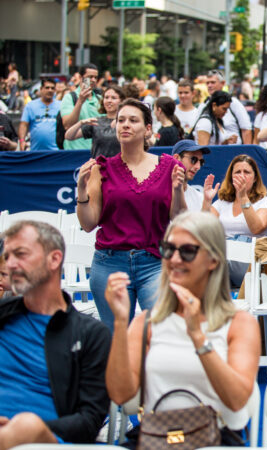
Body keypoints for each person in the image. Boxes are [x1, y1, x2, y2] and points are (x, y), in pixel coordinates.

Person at [104, 211, 260, 447]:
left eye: (187, 251)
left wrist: (198, 337)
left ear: (213, 260)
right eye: (168, 249)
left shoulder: (239, 323)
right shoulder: (146, 323)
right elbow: (120, 395)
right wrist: (119, 321)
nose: (174, 259)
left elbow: (236, 400)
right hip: (156, 438)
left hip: (215, 439)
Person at [76, 99, 186, 330]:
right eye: (120, 120)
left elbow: (179, 217)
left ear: (148, 129)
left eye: (133, 120)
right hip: (109, 263)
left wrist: (177, 191)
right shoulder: (101, 168)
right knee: (117, 339)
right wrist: (82, 191)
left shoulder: (168, 166)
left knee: (160, 332)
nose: (125, 125)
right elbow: (88, 223)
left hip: (154, 262)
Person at [0, 220, 111, 445]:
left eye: (20, 254)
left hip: (47, 440)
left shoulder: (89, 333)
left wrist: (31, 428)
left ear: (54, 259)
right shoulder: (4, 318)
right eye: (7, 256)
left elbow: (89, 423)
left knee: (26, 425)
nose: (10, 264)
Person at [209, 155, 267, 286]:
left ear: (255, 178)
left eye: (247, 172)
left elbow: (256, 228)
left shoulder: (264, 202)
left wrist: (243, 197)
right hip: (222, 257)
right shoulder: (221, 203)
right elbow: (204, 229)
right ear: (231, 178)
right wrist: (206, 202)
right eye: (237, 172)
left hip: (250, 260)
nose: (242, 176)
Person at [65, 85, 125, 158]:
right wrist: (80, 123)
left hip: (120, 166)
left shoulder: (126, 122)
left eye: (113, 98)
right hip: (100, 167)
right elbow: (69, 136)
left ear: (122, 101)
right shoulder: (96, 121)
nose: (109, 101)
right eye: (106, 97)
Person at [202, 70, 252, 145]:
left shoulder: (234, 103)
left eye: (213, 82)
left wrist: (246, 153)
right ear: (213, 105)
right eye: (207, 83)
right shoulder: (203, 105)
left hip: (235, 152)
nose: (209, 85)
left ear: (222, 83)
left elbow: (246, 129)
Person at [60, 64, 101, 150]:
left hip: (96, 152)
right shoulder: (70, 97)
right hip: (75, 152)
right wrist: (80, 101)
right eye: (90, 77)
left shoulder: (100, 98)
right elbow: (68, 125)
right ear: (81, 77)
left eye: (95, 77)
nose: (93, 80)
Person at [171, 139, 214, 212]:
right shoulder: (157, 194)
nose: (198, 167)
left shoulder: (200, 197)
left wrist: (206, 204)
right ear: (176, 158)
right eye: (193, 159)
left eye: (201, 162)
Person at [18, 78, 61, 151]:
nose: (50, 90)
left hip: (57, 151)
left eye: (52, 88)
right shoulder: (30, 106)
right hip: (36, 151)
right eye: (47, 88)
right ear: (41, 89)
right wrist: (22, 141)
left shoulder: (61, 105)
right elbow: (23, 125)